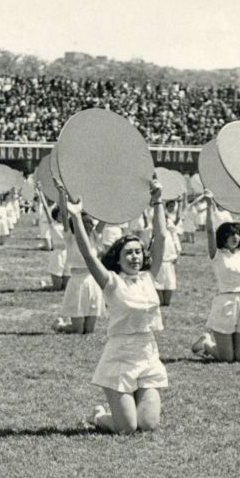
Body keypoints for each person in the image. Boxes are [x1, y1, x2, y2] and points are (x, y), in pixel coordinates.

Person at [63, 176, 169, 434]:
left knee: (149, 424)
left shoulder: (148, 276)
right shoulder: (111, 282)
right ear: (118, 259)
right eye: (128, 253)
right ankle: (99, 415)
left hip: (147, 351)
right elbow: (88, 254)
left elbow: (162, 237)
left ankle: (129, 404)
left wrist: (157, 202)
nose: (135, 256)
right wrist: (76, 216)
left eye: (138, 251)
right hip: (120, 354)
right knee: (127, 429)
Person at [191, 193, 240, 363]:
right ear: (223, 237)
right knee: (226, 358)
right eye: (231, 234)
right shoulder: (217, 254)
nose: (235, 237)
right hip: (226, 303)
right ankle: (206, 343)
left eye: (237, 233)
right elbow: (209, 231)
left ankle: (214, 344)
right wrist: (209, 206)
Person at [54, 191, 105, 335]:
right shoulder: (70, 236)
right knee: (78, 329)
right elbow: (64, 215)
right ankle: (60, 326)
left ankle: (67, 324)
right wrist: (61, 193)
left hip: (93, 282)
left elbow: (105, 219)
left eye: (89, 224)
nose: (88, 226)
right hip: (76, 281)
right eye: (84, 224)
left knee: (89, 330)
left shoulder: (94, 237)